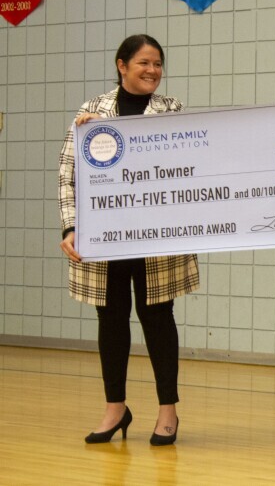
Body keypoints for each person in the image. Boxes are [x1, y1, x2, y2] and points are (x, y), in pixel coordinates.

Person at [58, 34, 200, 446]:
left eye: (158, 63)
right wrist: (70, 227)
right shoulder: (91, 111)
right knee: (111, 318)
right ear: (122, 66)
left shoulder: (170, 109)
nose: (153, 70)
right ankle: (115, 408)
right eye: (144, 63)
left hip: (157, 235)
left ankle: (168, 409)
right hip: (106, 236)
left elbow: (187, 162)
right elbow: (68, 174)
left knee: (158, 318)